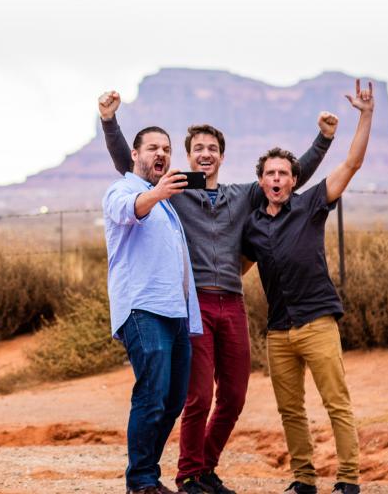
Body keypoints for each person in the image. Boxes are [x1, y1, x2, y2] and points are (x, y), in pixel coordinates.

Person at [99, 92, 337, 494]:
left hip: (233, 301)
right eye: (197, 149)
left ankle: (203, 468)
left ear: (222, 157)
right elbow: (133, 169)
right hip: (194, 305)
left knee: (233, 395)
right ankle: (188, 474)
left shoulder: (242, 195)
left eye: (212, 148)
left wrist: (323, 140)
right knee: (195, 398)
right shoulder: (174, 192)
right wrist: (110, 122)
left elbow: (290, 179)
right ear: (188, 158)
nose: (205, 154)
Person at [241, 79, 376, 494]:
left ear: (293, 178)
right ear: (261, 181)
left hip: (318, 322)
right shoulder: (252, 226)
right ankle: (303, 478)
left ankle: (348, 478)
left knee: (336, 402)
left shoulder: (312, 203)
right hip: (279, 330)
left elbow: (351, 164)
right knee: (290, 410)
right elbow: (234, 269)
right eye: (270, 174)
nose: (277, 179)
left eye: (284, 173)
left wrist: (365, 115)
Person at [102, 125, 202, 494]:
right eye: (152, 148)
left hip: (175, 313)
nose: (161, 154)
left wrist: (161, 195)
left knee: (173, 399)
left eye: (166, 149)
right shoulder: (123, 190)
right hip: (143, 308)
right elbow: (128, 211)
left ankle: (146, 473)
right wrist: (158, 194)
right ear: (135, 154)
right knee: (152, 394)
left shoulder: (165, 203)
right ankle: (142, 481)